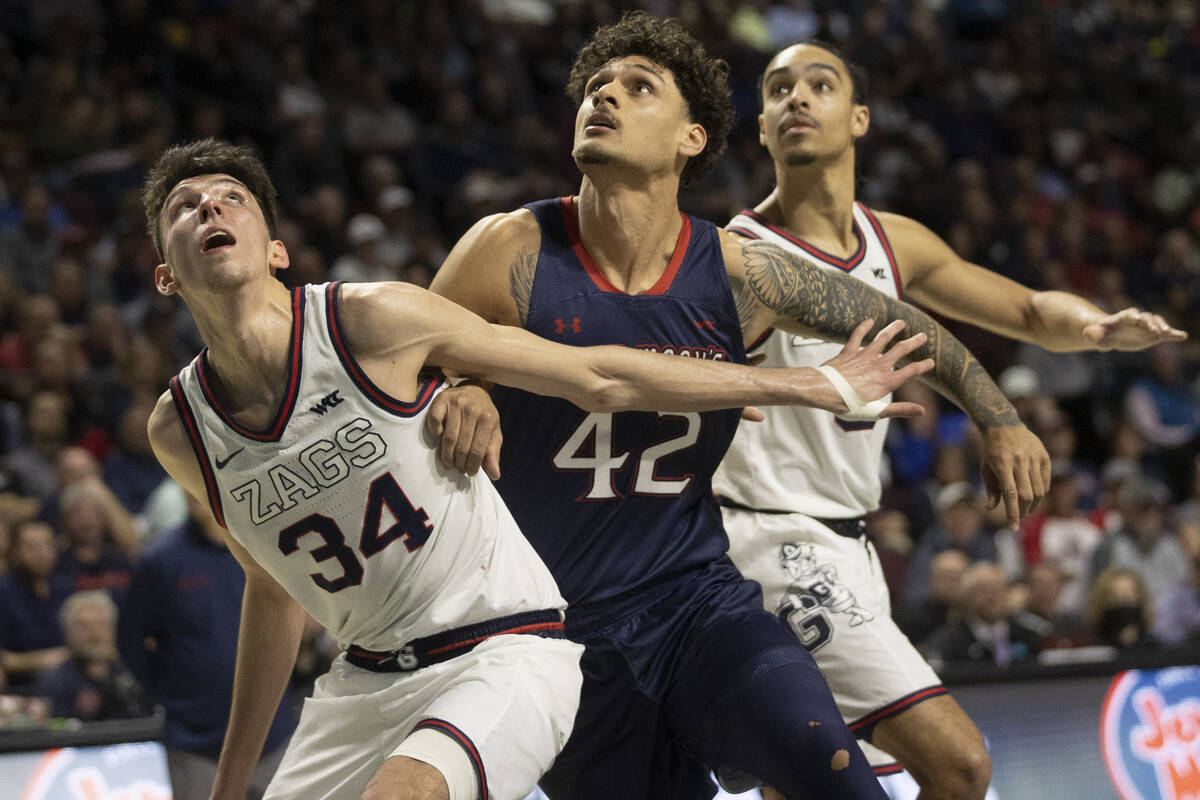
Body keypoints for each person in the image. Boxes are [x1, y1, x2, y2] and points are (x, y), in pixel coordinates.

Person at [140, 137, 929, 800]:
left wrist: (807, 382)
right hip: (365, 682)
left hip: (502, 647)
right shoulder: (182, 430)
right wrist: (228, 787)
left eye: (231, 195)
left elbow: (599, 375)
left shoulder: (370, 319)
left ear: (276, 248)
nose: (209, 207)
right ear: (165, 276)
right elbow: (273, 591)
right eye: (185, 206)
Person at [428, 13, 1045, 800]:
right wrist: (462, 383)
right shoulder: (510, 249)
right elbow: (393, 364)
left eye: (636, 87)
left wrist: (999, 417)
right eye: (594, 87)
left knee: (841, 781)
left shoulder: (735, 273)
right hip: (553, 631)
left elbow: (906, 321)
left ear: (691, 137)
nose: (603, 97)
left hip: (695, 605)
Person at [712, 39, 1187, 798]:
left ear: (861, 117)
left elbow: (1030, 308)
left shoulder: (895, 242)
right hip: (769, 538)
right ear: (762, 127)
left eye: (820, 84)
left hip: (851, 544)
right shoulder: (743, 254)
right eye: (777, 90)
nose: (797, 98)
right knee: (960, 768)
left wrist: (1095, 326)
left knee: (807, 785)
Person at [118, 494, 299, 800]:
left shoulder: (263, 544)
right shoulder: (159, 560)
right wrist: (169, 693)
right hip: (195, 743)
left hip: (274, 734)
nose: (194, 490)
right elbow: (129, 641)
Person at [31, 589, 150, 721]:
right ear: (67, 633)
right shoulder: (54, 681)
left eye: (101, 624)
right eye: (84, 626)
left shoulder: (131, 676)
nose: (94, 633)